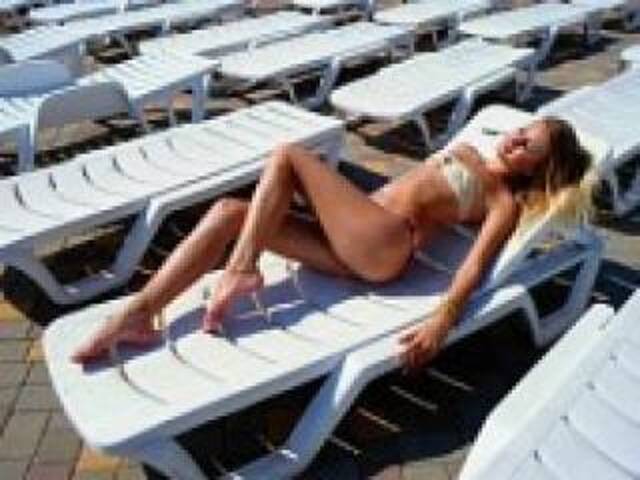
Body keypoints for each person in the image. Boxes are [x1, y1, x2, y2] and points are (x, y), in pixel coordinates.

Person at [72, 116, 592, 370]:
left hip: (387, 242)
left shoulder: (503, 201)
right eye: (522, 129)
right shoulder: (471, 150)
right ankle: (138, 313)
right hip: (356, 236)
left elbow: (476, 264)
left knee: (288, 155)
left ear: (539, 167)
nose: (516, 137)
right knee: (231, 211)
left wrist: (443, 319)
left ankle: (242, 268)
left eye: (530, 144)